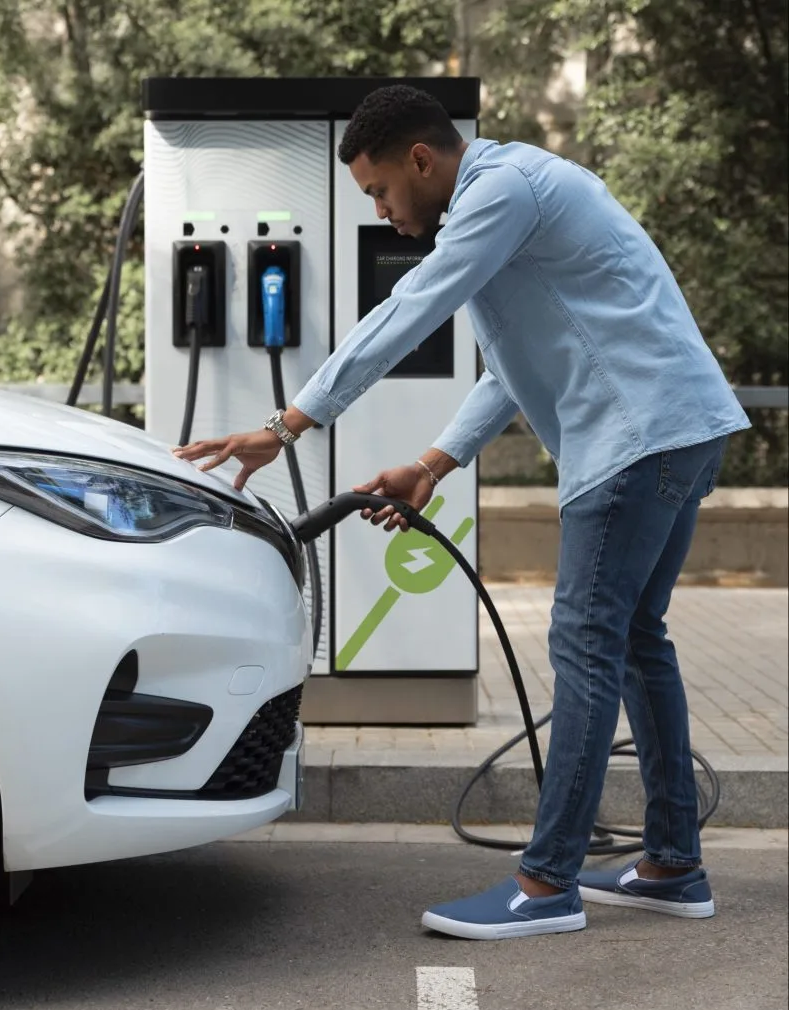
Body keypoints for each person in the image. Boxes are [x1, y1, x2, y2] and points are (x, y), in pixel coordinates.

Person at [172, 85, 750, 940]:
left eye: (379, 190)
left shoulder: (500, 192)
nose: (378, 208)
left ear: (421, 160)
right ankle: (672, 862)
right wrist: (435, 461)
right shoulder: (513, 198)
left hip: (632, 438)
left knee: (587, 644)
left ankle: (547, 884)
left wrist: (287, 424)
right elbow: (514, 362)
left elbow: (412, 309)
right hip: (679, 427)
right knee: (634, 640)